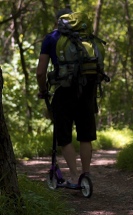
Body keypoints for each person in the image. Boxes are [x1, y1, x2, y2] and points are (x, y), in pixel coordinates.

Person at [36, 8, 97, 188]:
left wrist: (43, 90)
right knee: (86, 136)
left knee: (64, 136)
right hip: (88, 90)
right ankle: (86, 176)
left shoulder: (51, 38)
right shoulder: (86, 38)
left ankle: (74, 175)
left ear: (58, 21)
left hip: (64, 91)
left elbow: (40, 72)